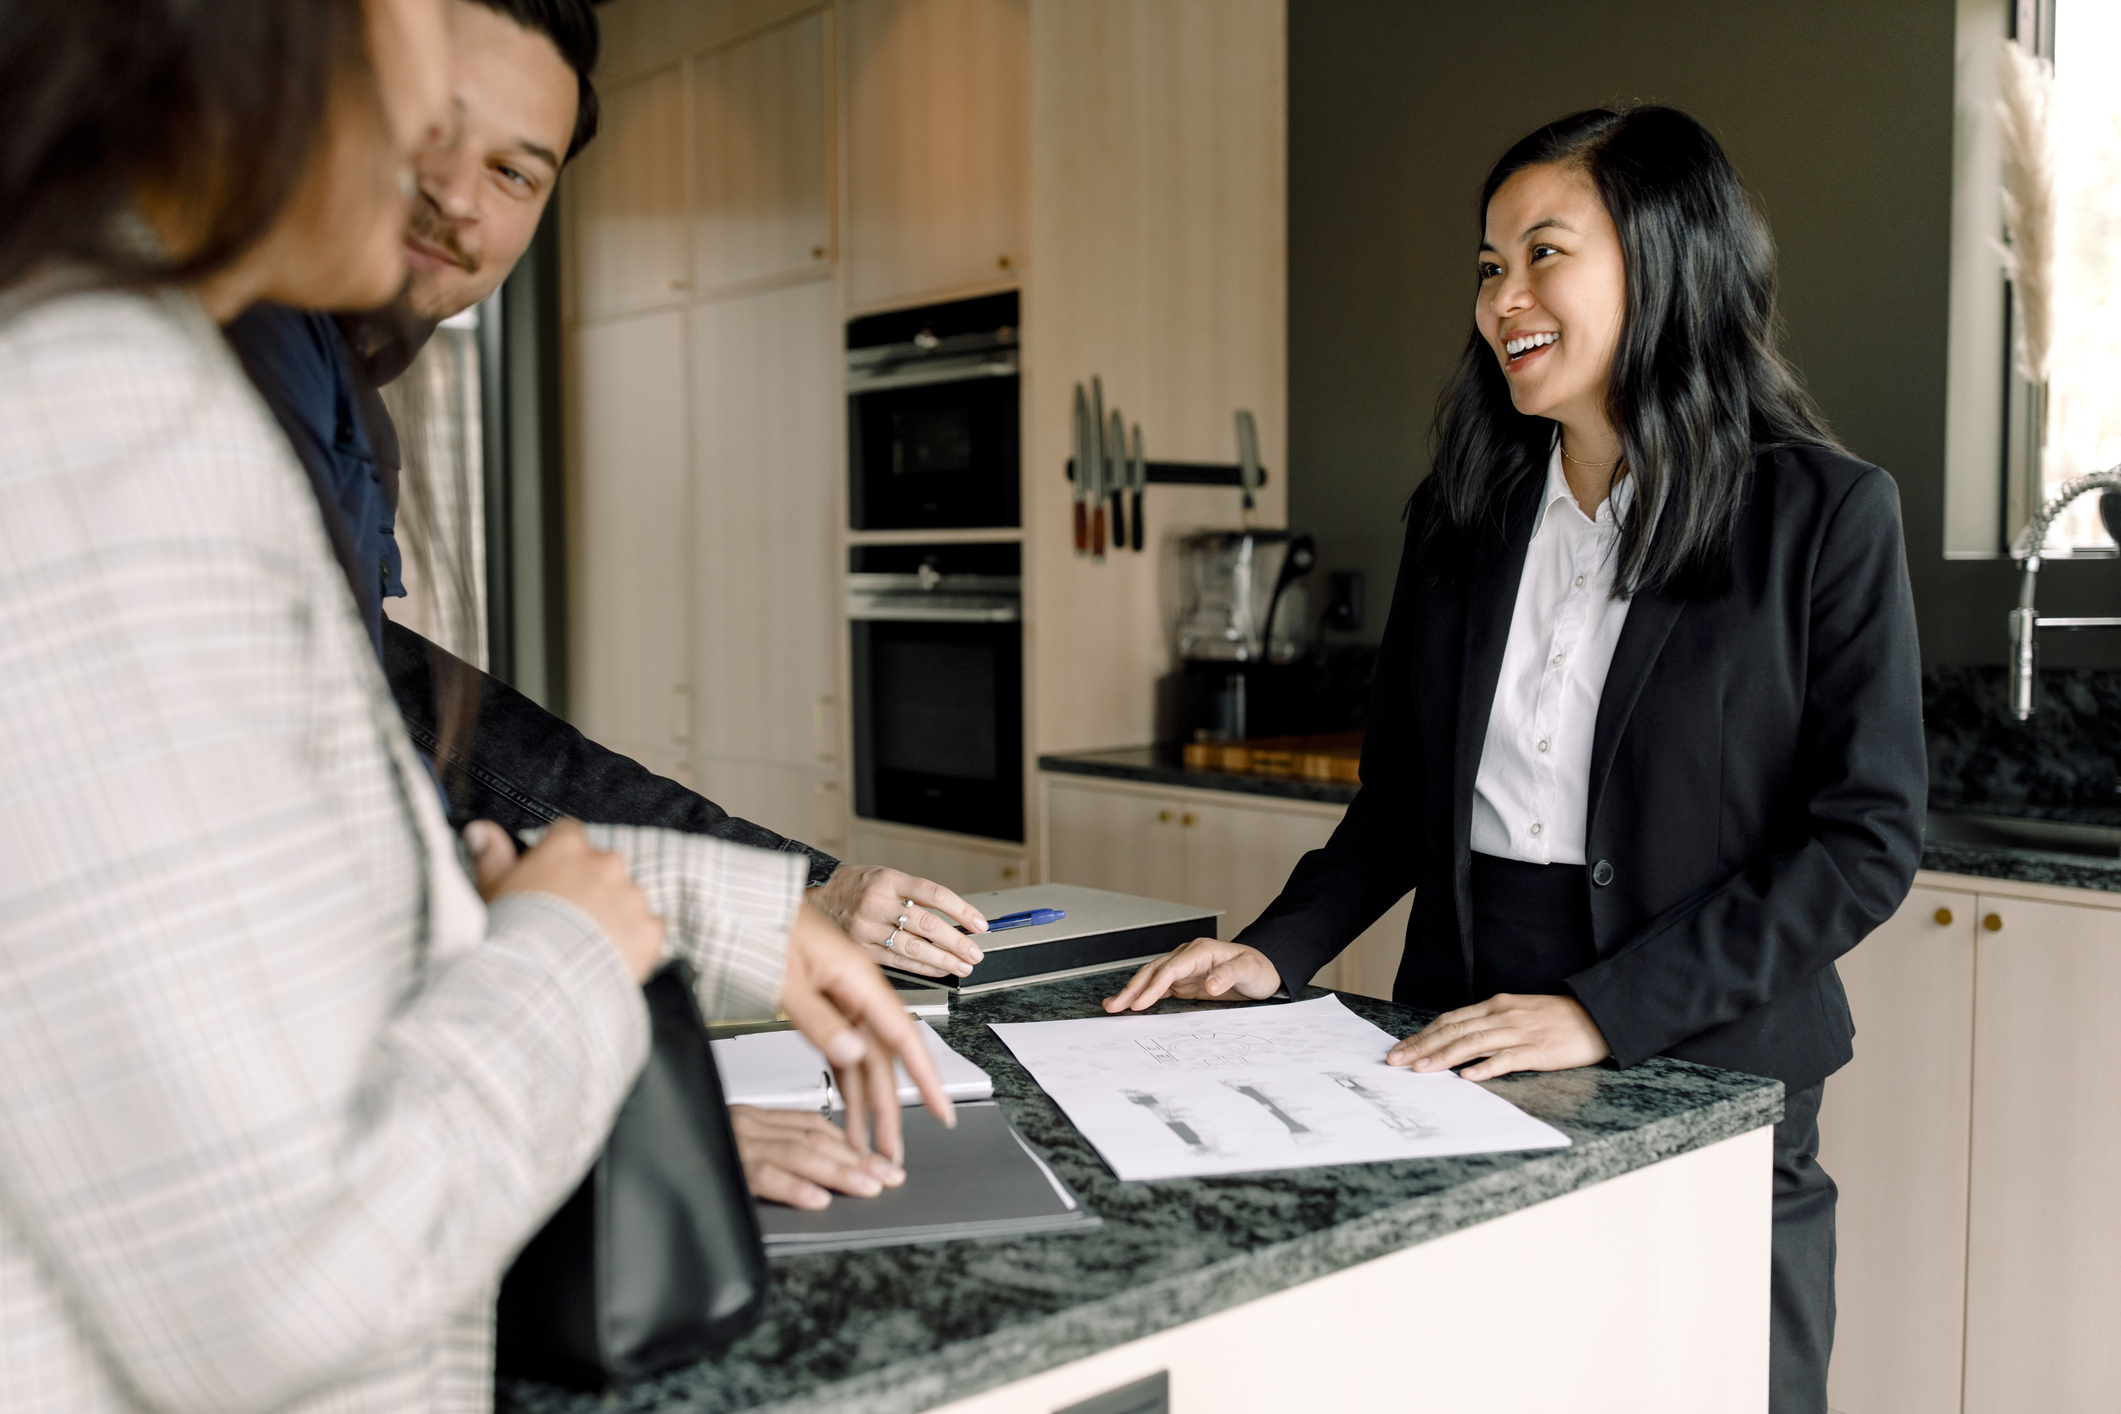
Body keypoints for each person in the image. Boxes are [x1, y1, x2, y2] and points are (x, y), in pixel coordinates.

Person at [0, 2, 948, 1407]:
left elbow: (268, 887)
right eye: (425, 73)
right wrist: (576, 980)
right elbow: (291, 1283)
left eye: (513, 165)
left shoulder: (170, 383)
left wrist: (707, 905)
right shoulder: (106, 442)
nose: (441, 163)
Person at [1104, 107, 1924, 1413]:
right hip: (1462, 1040)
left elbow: (1864, 837)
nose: (1505, 299)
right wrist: (1275, 946)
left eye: (1546, 254)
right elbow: (1403, 804)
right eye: (1490, 265)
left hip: (1713, 1057)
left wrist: (1605, 1009)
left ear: (1662, 261)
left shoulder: (1821, 515)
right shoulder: (1461, 515)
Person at [225, 0, 988, 1210]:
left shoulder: (326, 369)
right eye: (426, 127)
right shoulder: (228, 362)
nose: (456, 199)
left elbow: (411, 732)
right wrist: (607, 1117)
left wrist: (793, 889)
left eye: (513, 171)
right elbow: (285, 920)